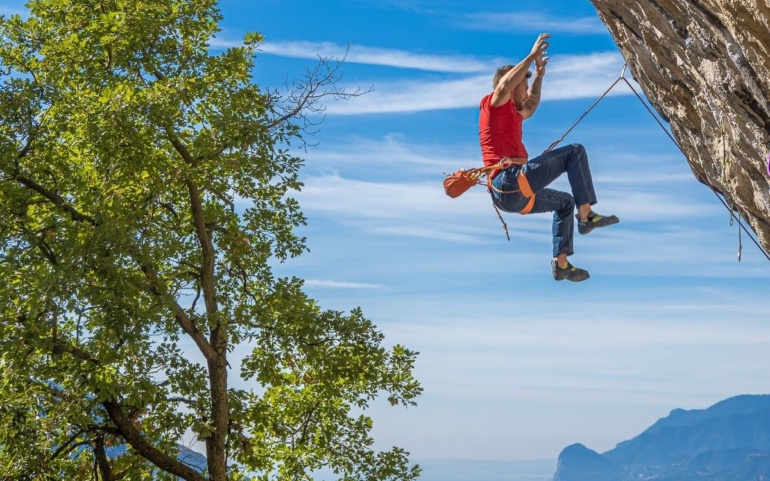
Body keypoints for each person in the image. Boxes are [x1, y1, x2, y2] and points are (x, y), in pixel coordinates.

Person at [479, 33, 618, 282]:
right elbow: (504, 85)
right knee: (574, 151)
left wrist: (539, 76)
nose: (526, 91)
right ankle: (585, 216)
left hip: (515, 198)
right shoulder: (494, 104)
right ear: (512, 85)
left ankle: (561, 264)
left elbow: (531, 106)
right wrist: (531, 56)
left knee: (564, 202)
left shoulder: (514, 112)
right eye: (523, 85)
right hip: (508, 182)